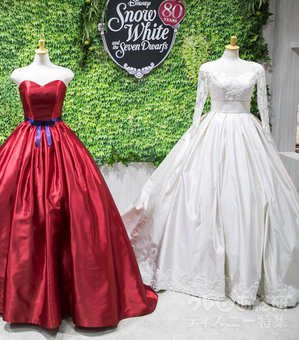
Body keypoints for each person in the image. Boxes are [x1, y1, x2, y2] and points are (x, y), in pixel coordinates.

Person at [0, 40, 158, 329]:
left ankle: (71, 294)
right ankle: (9, 292)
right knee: (9, 211)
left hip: (61, 145)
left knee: (75, 213)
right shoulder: (19, 73)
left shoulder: (65, 73)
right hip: (24, 146)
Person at [123, 36, 299, 308]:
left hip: (247, 135)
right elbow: (198, 110)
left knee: (247, 198)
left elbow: (263, 115)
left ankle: (245, 275)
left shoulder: (255, 69)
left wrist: (266, 140)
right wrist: (192, 139)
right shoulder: (207, 68)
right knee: (200, 196)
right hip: (211, 131)